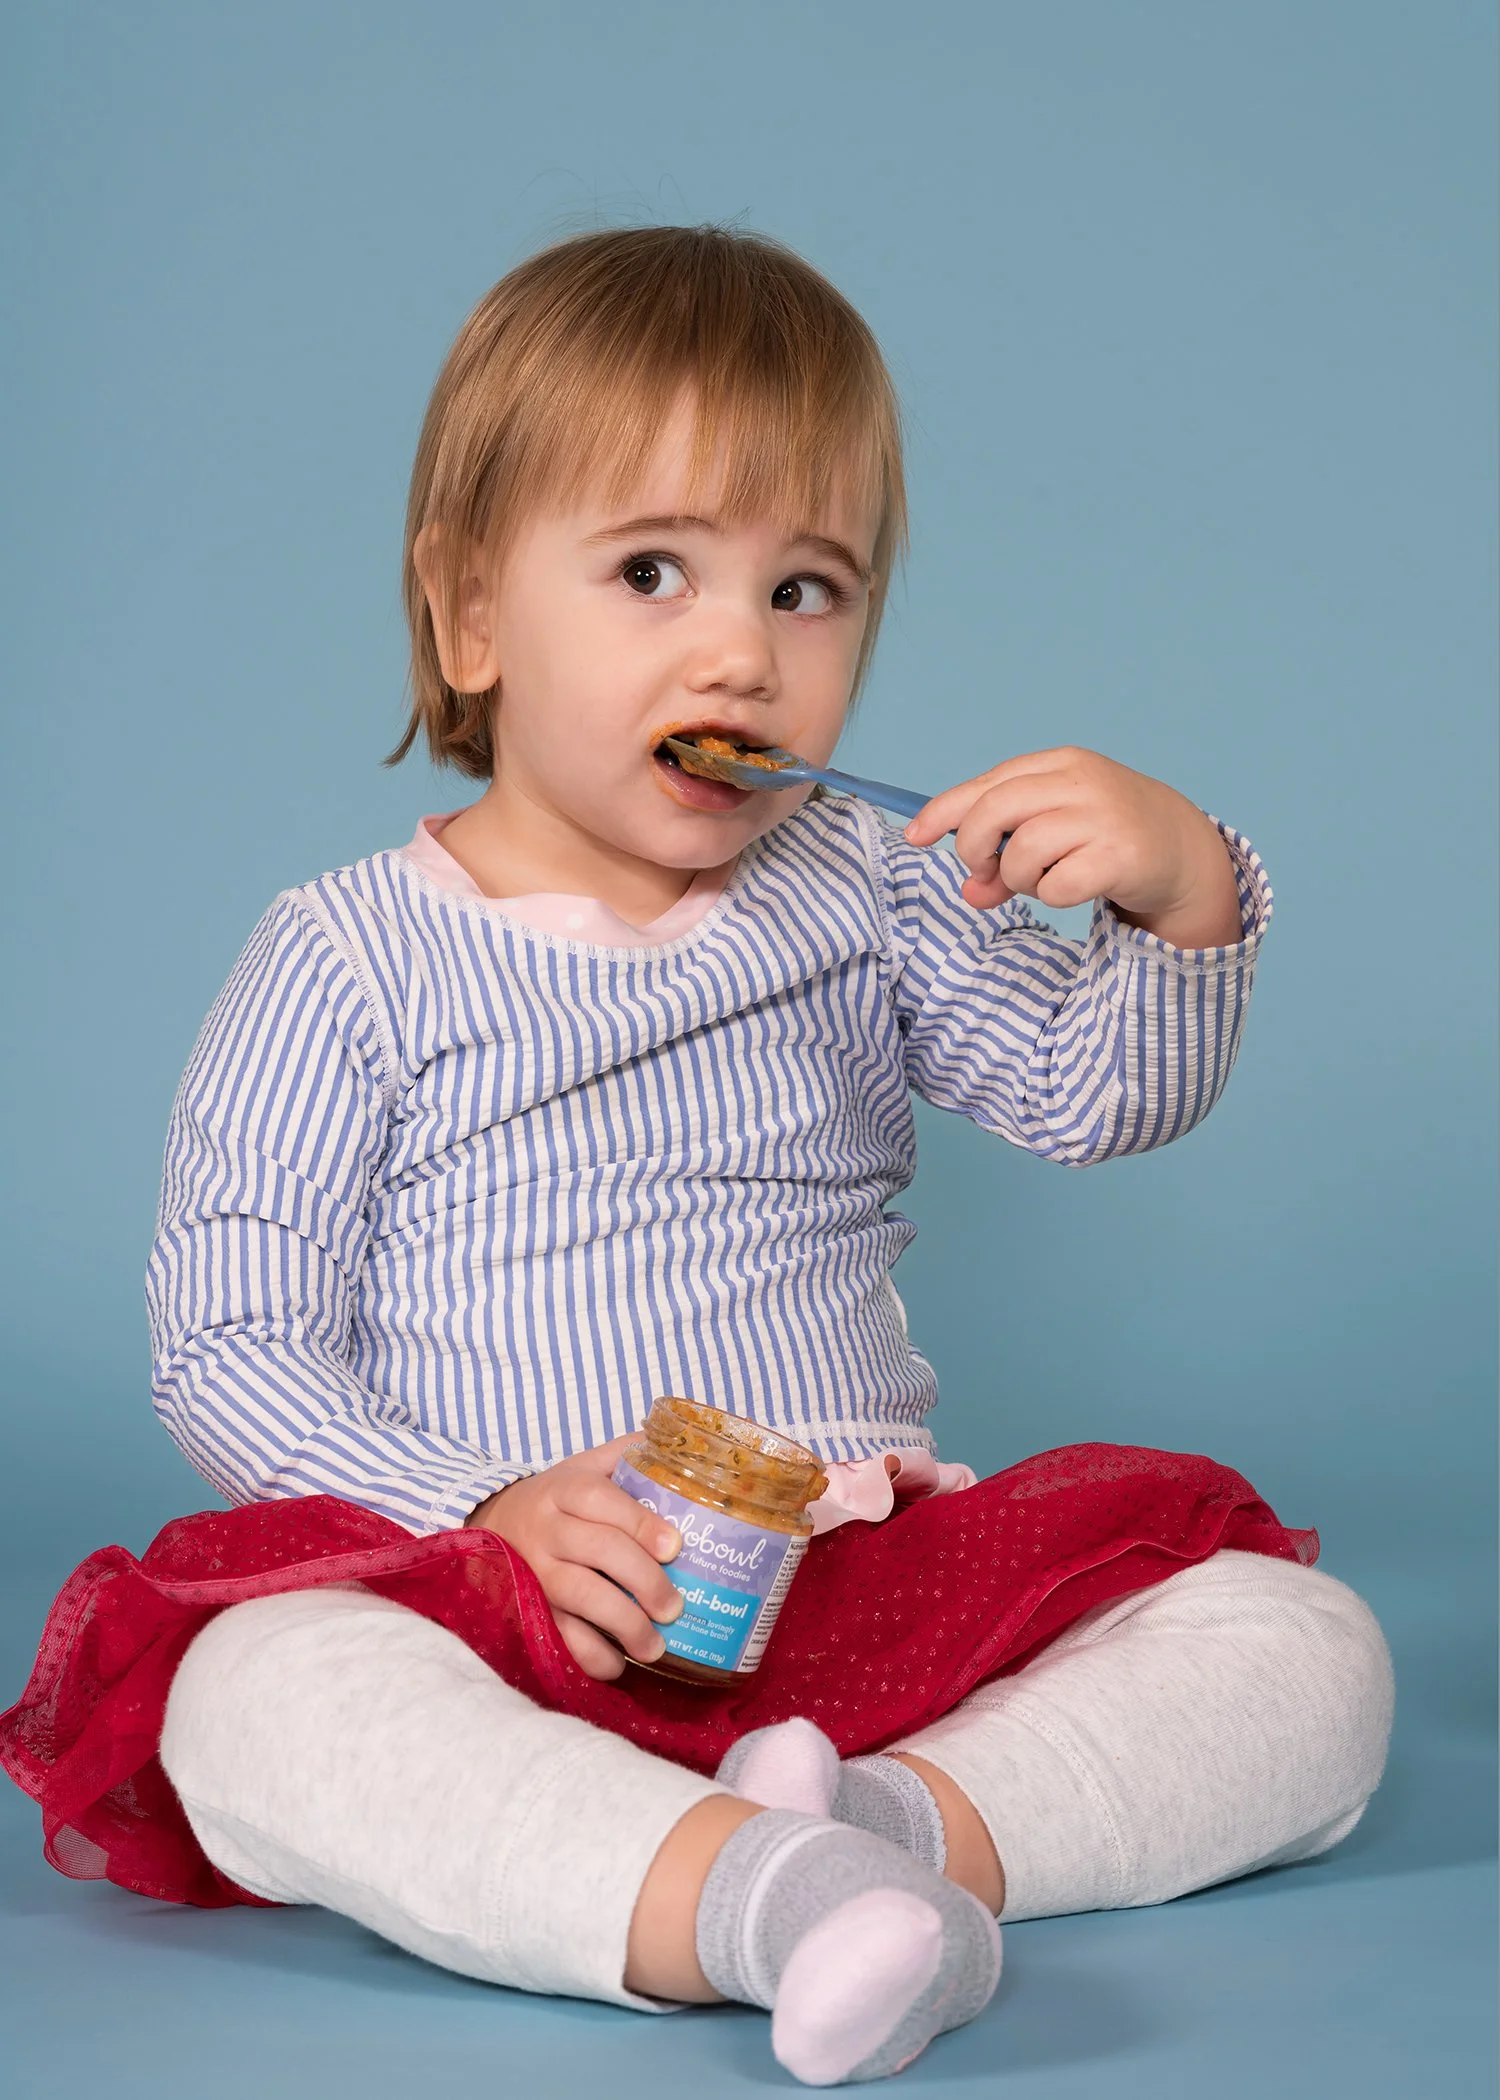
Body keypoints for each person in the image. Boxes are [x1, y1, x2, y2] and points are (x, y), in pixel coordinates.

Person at [1, 226, 1393, 2088]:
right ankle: (764, 1909)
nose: (742, 649)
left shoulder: (870, 891)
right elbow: (235, 1345)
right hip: (499, 1605)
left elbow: (1094, 1094)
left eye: (809, 590)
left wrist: (1182, 896)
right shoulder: (343, 959)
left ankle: (890, 1841)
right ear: (469, 617)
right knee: (255, 1704)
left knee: (1306, 1649)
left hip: (855, 1592)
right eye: (654, 570)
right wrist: (480, 1508)